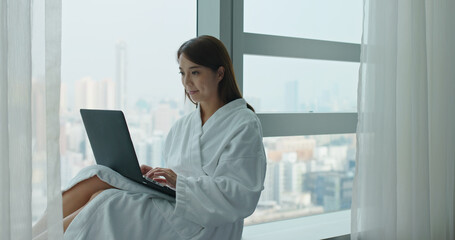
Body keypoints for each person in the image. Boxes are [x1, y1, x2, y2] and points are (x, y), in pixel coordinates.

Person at [32, 35, 267, 240]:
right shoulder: (184, 125)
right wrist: (157, 176)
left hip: (206, 224)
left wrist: (179, 182)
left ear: (220, 73)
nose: (186, 83)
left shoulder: (243, 124)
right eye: (182, 73)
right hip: (178, 202)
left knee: (106, 201)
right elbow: (181, 173)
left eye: (195, 72)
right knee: (96, 175)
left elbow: (241, 195)